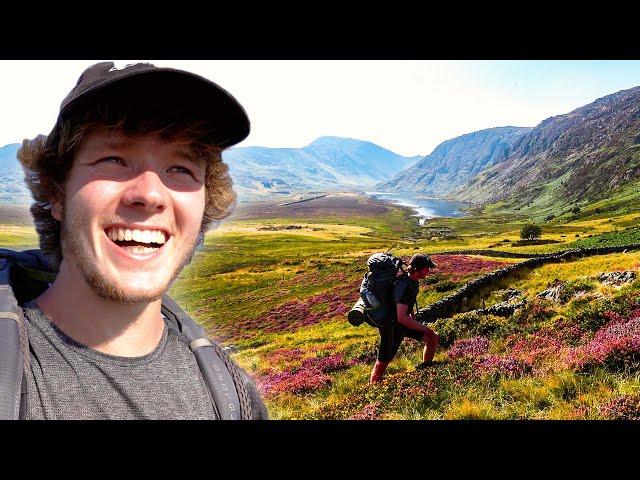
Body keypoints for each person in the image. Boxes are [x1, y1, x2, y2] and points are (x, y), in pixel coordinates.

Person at [14, 61, 268, 419]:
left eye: (180, 169)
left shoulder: (231, 396)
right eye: (114, 159)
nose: (150, 194)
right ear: (57, 192)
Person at [369, 253, 440, 384]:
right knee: (384, 361)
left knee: (433, 338)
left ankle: (426, 370)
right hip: (391, 325)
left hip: (402, 323)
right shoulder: (404, 285)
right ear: (418, 269)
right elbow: (401, 317)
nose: (429, 271)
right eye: (427, 268)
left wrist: (412, 315)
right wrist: (426, 329)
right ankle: (372, 390)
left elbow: (406, 304)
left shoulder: (413, 282)